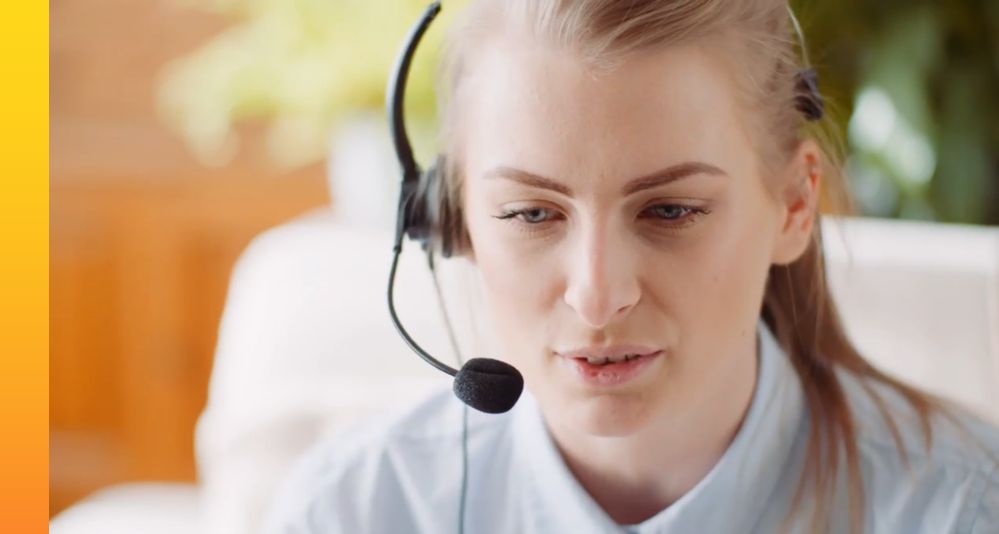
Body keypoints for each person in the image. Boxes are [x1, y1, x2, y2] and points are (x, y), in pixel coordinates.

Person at [262, 1, 999, 532]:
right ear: (448, 222)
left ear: (792, 205)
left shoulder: (960, 507)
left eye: (670, 211)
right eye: (530, 214)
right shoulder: (353, 509)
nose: (597, 295)